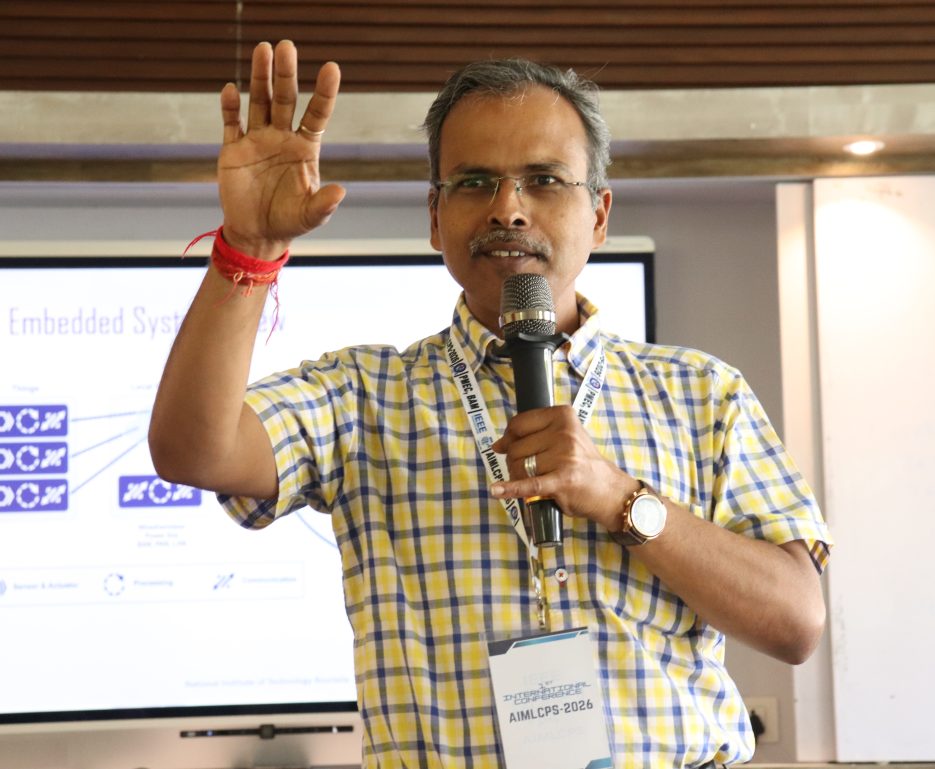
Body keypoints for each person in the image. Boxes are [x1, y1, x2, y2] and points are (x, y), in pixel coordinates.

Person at [150, 39, 833, 768]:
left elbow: (796, 620)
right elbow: (195, 451)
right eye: (474, 182)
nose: (508, 209)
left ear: (599, 214)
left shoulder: (701, 392)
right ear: (435, 216)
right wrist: (249, 248)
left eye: (544, 180)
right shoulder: (365, 395)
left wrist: (620, 498)